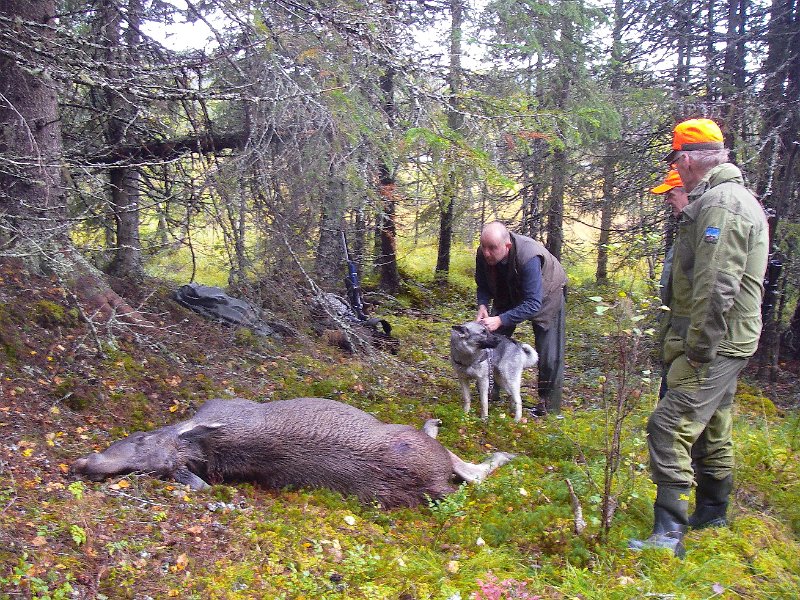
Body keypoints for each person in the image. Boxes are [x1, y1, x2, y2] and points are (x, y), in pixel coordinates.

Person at [629, 118, 769, 557]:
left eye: (676, 162)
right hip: (730, 339)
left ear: (686, 160)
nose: (675, 170)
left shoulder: (721, 204)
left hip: (717, 342)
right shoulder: (725, 199)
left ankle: (668, 535)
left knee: (668, 424)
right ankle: (712, 512)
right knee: (712, 424)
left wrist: (699, 349)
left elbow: (717, 284)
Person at [474, 221, 567, 415]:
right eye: (484, 247)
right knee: (491, 341)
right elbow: (482, 284)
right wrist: (482, 304)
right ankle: (489, 390)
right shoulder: (483, 254)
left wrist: (500, 319)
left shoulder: (529, 257)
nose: (487, 253)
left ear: (507, 246)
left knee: (549, 355)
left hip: (546, 296)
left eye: (492, 248)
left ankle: (548, 406)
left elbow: (533, 303)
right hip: (508, 293)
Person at [651, 169, 689, 400]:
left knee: (673, 406)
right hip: (676, 330)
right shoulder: (687, 229)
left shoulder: (701, 230)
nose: (667, 200)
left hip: (689, 335)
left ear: (686, 192)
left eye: (670, 194)